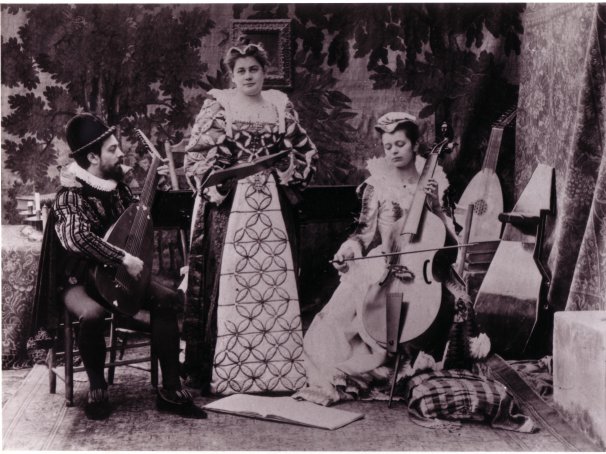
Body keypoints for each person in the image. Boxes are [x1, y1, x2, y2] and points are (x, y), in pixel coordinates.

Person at [293, 112, 490, 406]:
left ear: (415, 146)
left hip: (427, 262)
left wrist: (435, 207)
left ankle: (419, 352)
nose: (394, 151)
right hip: (385, 261)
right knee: (341, 315)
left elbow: (451, 240)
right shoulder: (377, 185)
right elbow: (362, 233)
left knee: (458, 300)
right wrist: (348, 250)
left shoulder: (436, 180)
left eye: (400, 144)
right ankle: (369, 358)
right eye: (388, 146)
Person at [32, 113, 207, 420]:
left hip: (116, 276)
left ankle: (170, 388)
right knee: (92, 314)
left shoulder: (119, 188)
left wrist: (157, 186)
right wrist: (123, 258)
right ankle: (98, 389)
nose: (121, 153)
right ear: (91, 157)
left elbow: (136, 221)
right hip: (78, 279)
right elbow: (77, 238)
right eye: (112, 149)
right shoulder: (71, 195)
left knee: (166, 300)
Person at [182, 41, 318, 395]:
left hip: (274, 205)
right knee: (231, 285)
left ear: (264, 71)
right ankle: (226, 372)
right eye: (240, 70)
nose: (248, 76)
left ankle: (278, 373)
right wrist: (220, 180)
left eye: (253, 69)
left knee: (274, 282)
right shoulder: (220, 104)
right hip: (230, 207)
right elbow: (196, 157)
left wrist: (288, 170)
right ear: (232, 75)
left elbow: (305, 149)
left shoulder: (278, 104)